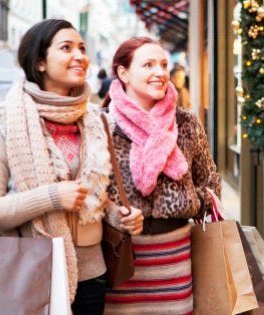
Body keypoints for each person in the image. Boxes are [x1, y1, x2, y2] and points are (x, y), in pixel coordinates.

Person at [0, 19, 144, 314]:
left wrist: (118, 216)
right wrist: (51, 197)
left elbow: (96, 198)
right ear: (40, 62)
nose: (80, 56)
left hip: (91, 275)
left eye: (82, 48)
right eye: (66, 48)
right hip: (25, 271)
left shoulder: (96, 121)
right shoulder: (3, 123)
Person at [101, 36, 221, 314]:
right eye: (148, 65)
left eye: (164, 65)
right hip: (120, 259)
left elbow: (211, 183)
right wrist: (114, 213)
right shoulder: (102, 124)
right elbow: (90, 192)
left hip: (175, 258)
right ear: (124, 73)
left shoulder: (186, 121)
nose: (160, 73)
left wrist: (189, 199)